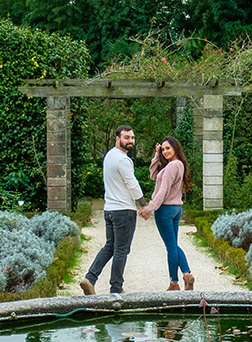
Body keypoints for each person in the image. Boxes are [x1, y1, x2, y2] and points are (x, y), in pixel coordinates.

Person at [79, 126, 146, 295]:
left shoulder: (109, 156)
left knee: (110, 246)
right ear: (118, 139)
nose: (130, 141)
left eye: (132, 137)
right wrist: (144, 205)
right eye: (126, 138)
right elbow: (132, 184)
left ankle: (90, 278)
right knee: (121, 250)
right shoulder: (123, 160)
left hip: (109, 209)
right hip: (123, 210)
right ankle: (116, 288)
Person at [139, 136, 194, 291]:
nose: (165, 151)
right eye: (162, 149)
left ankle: (174, 283)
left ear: (176, 147)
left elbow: (163, 191)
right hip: (176, 209)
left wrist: (150, 208)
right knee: (173, 245)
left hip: (165, 210)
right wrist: (156, 156)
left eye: (168, 148)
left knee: (171, 247)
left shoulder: (171, 167)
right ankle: (187, 275)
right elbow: (153, 176)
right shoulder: (178, 165)